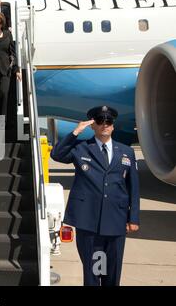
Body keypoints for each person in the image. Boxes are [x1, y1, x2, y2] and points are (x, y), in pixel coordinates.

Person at [51, 106, 140, 286]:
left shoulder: (126, 152)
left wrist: (134, 218)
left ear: (113, 126)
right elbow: (57, 154)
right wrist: (75, 132)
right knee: (93, 273)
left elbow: (133, 188)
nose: (104, 125)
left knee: (112, 274)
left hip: (116, 220)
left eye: (108, 122)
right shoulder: (82, 149)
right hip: (89, 221)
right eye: (100, 121)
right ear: (93, 125)